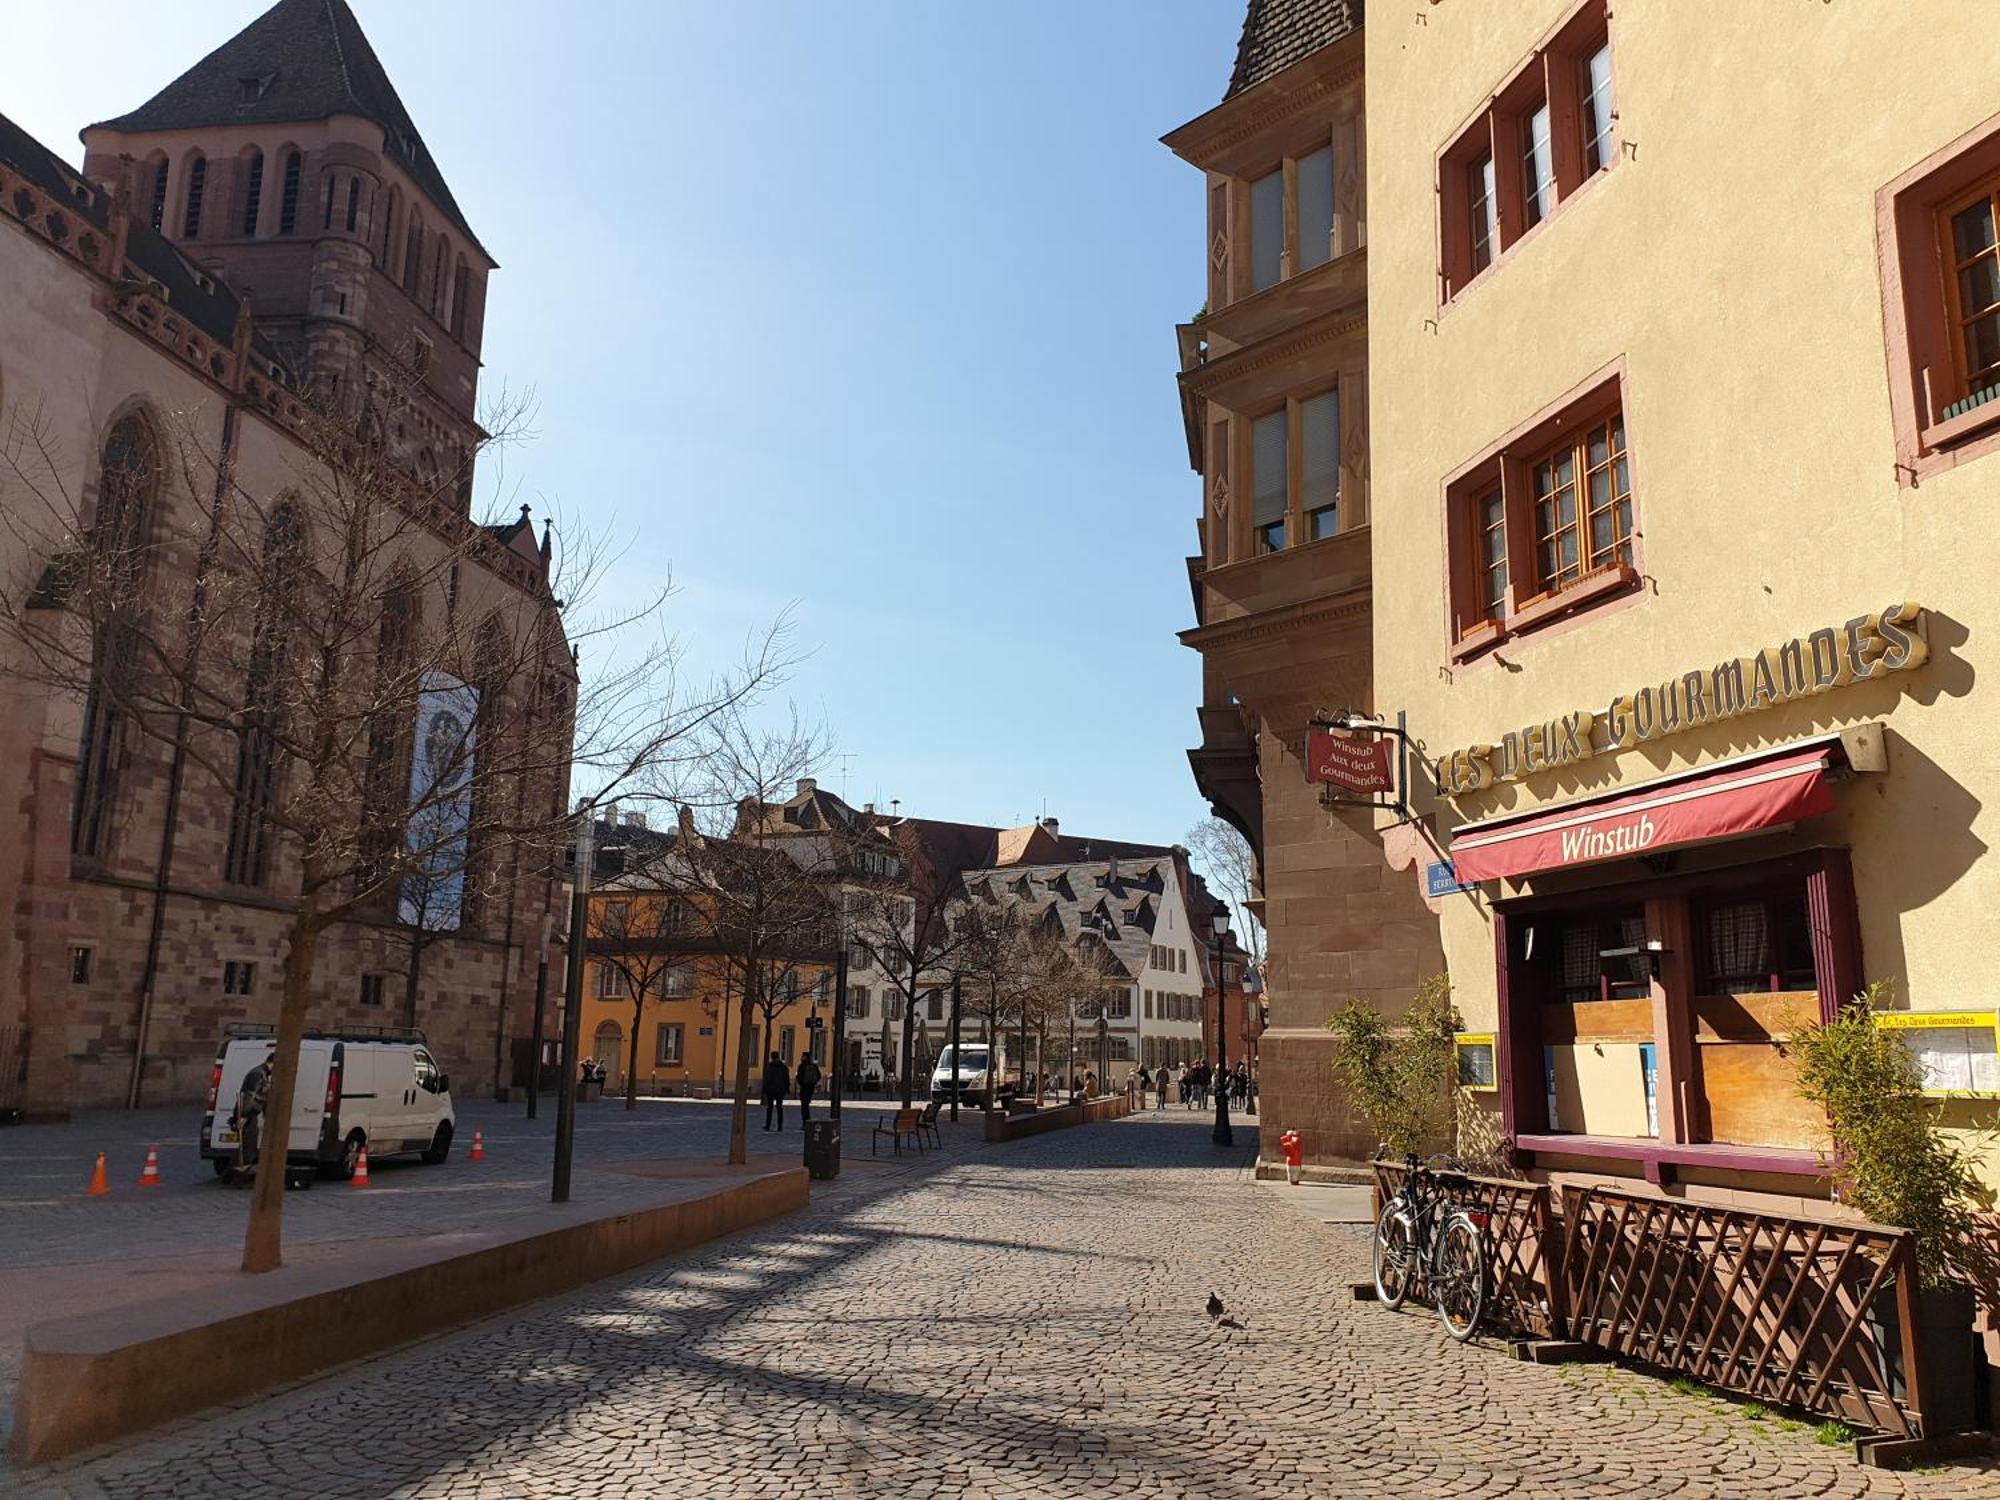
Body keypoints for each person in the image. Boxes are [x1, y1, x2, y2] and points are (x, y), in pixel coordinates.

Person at [231, 1056, 271, 1185]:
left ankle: (236, 1175)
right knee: (248, 1145)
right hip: (248, 1113)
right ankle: (236, 1176)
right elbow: (250, 1096)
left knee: (247, 1145)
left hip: (248, 1113)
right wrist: (245, 1115)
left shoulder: (261, 1073)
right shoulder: (258, 1074)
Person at [761, 1051, 791, 1132]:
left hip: (771, 1090)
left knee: (770, 1108)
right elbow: (787, 1079)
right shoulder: (783, 1067)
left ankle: (768, 1125)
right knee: (779, 1108)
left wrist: (764, 1089)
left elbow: (767, 1079)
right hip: (780, 1090)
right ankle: (779, 1126)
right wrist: (787, 1089)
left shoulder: (770, 1067)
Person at [796, 1053, 823, 1123]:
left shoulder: (802, 1066)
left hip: (804, 1087)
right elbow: (819, 1076)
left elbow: (799, 1077)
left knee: (804, 1105)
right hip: (811, 1087)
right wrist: (813, 1083)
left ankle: (805, 1121)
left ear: (804, 1057)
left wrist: (801, 1083)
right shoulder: (814, 1065)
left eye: (802, 1056)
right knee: (806, 1103)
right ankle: (807, 1120)